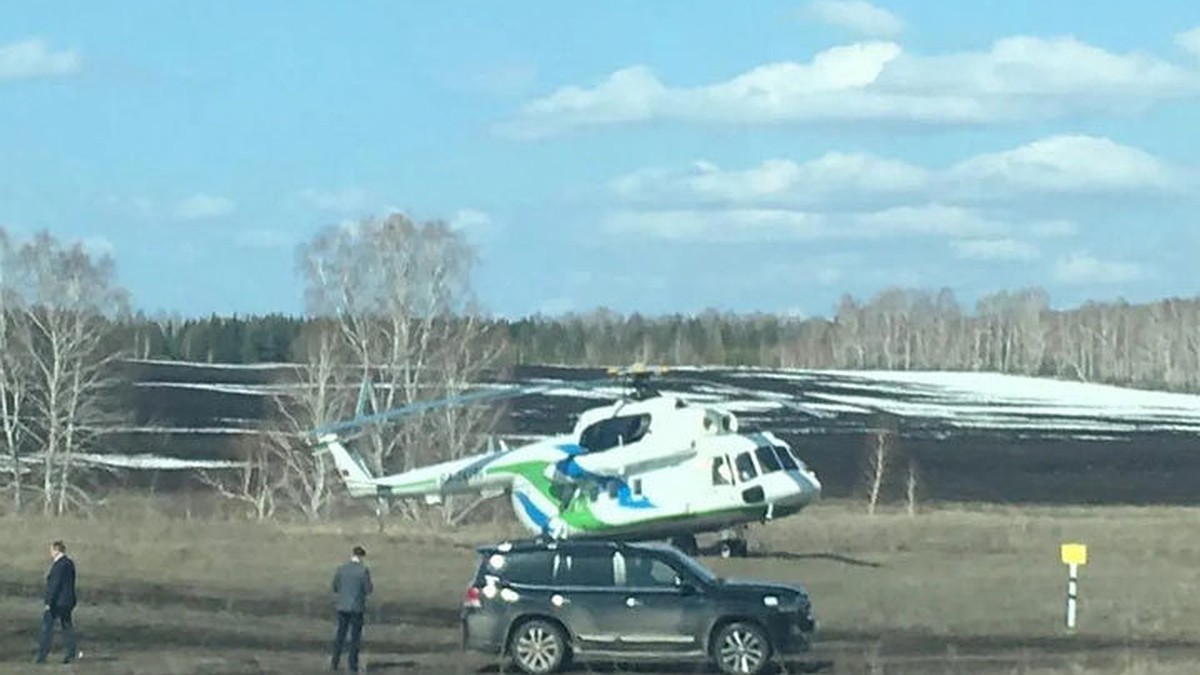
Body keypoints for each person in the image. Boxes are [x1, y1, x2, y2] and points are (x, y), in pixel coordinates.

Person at [330, 545, 372, 672]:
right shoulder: (363, 571)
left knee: (340, 635)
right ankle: (352, 665)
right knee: (355, 638)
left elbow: (335, 587)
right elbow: (368, 589)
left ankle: (334, 663)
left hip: (342, 606)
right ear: (361, 557)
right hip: (356, 608)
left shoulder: (341, 569)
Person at [35, 540, 78, 665]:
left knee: (46, 628)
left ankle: (42, 656)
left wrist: (48, 602)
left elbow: (55, 584)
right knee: (67, 627)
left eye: (51, 550)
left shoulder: (59, 565)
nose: (50, 553)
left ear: (56, 550)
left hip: (56, 602)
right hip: (68, 602)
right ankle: (71, 653)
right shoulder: (69, 563)